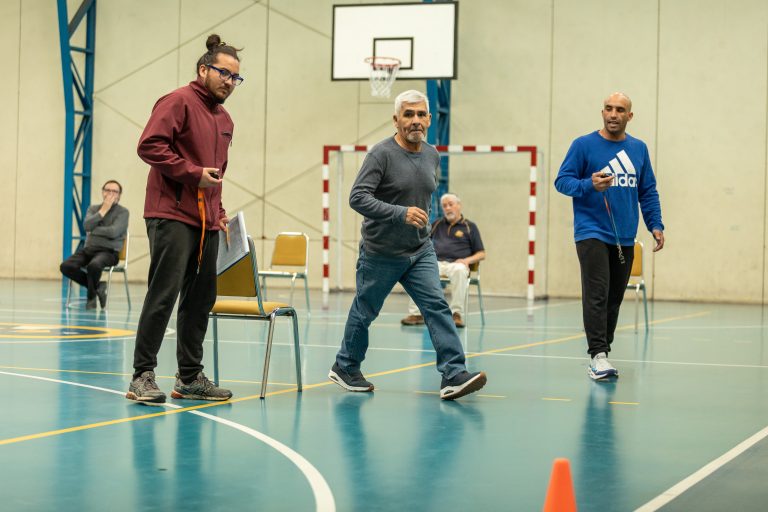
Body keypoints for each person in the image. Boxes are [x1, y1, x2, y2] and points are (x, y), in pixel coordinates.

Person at [328, 89, 487, 400]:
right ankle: (345, 366)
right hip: (381, 252)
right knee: (365, 311)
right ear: (396, 120)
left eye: (420, 114)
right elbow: (357, 197)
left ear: (428, 119)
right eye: (408, 114)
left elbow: (423, 195)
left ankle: (454, 373)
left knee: (437, 307)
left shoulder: (431, 154)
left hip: (420, 251)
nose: (416, 120)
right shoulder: (381, 154)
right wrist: (400, 214)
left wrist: (420, 222)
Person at [126, 34, 245, 404]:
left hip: (206, 221)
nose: (229, 81)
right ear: (203, 69)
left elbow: (217, 175)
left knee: (200, 300)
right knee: (163, 295)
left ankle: (190, 378)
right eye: (224, 73)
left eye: (235, 77)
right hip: (171, 213)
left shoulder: (224, 119)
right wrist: (193, 173)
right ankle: (141, 376)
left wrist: (219, 212)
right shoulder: (177, 101)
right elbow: (149, 145)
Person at [555, 92, 665, 380]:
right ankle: (598, 355)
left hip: (624, 237)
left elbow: (648, 191)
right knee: (597, 294)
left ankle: (604, 352)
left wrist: (655, 224)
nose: (613, 114)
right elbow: (562, 181)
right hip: (591, 232)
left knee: (614, 298)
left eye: (620, 110)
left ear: (629, 116)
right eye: (608, 109)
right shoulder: (583, 145)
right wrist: (589, 185)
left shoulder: (639, 149)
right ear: (602, 112)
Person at [401, 193, 485, 328]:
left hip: (457, 265)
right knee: (416, 271)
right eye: (444, 206)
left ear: (459, 205)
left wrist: (466, 260)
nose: (447, 208)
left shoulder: (470, 227)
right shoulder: (437, 224)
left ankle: (455, 314)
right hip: (436, 263)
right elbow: (423, 240)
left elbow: (481, 253)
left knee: (459, 270)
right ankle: (416, 314)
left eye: (450, 204)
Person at [60, 180, 129, 309]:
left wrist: (95, 230)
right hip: (89, 249)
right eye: (108, 190)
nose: (110, 194)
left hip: (109, 252)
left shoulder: (123, 212)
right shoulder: (93, 209)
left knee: (94, 265)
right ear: (103, 192)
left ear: (119, 195)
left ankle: (91, 298)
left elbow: (114, 232)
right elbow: (86, 226)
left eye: (115, 191)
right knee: (66, 266)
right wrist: (102, 211)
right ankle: (98, 287)